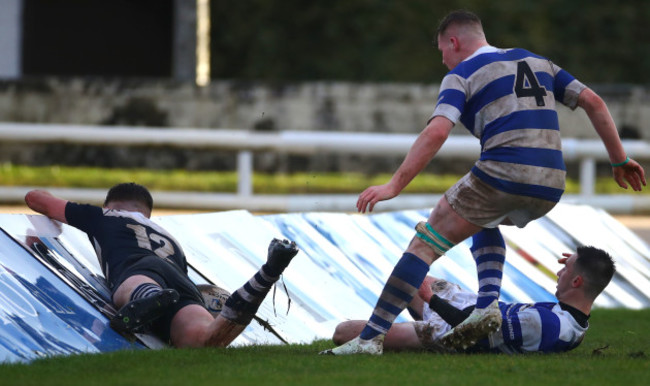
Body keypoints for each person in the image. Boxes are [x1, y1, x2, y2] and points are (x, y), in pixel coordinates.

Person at [322, 10, 645, 355]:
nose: (444, 61)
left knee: (423, 245)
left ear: (453, 42)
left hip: (505, 170)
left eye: (442, 52)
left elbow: (437, 131)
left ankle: (370, 340)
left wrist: (394, 186)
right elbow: (593, 102)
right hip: (552, 182)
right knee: (483, 217)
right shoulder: (537, 61)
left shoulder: (461, 74)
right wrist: (619, 159)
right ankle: (485, 306)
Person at [24, 183, 299, 348]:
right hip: (181, 283)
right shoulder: (170, 238)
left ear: (110, 204)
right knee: (204, 341)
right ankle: (267, 274)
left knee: (131, 285)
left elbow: (36, 199)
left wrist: (59, 219)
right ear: (147, 212)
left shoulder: (103, 216)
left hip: (139, 269)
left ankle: (149, 298)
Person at [330, 246, 615, 354]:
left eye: (566, 270)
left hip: (453, 332)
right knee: (411, 276)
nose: (558, 271)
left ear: (577, 282)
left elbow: (474, 331)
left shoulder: (547, 324)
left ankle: (400, 337)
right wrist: (575, 266)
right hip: (468, 312)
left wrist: (434, 302)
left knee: (343, 333)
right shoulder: (572, 318)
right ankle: (404, 326)